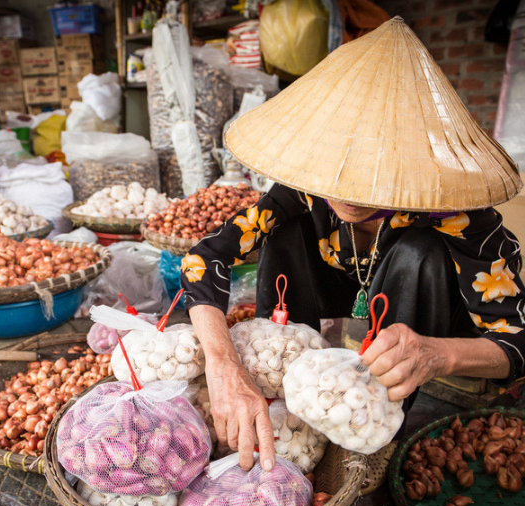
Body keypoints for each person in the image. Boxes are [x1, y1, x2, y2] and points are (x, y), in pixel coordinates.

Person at [180, 17, 525, 472]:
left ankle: (378, 422)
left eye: (373, 177)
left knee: (420, 252)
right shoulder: (304, 188)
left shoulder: (458, 214)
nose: (347, 193)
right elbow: (206, 257)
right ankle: (287, 392)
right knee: (283, 232)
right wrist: (223, 365)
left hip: (426, 314)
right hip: (338, 286)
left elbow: (517, 343)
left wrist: (437, 354)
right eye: (339, 171)